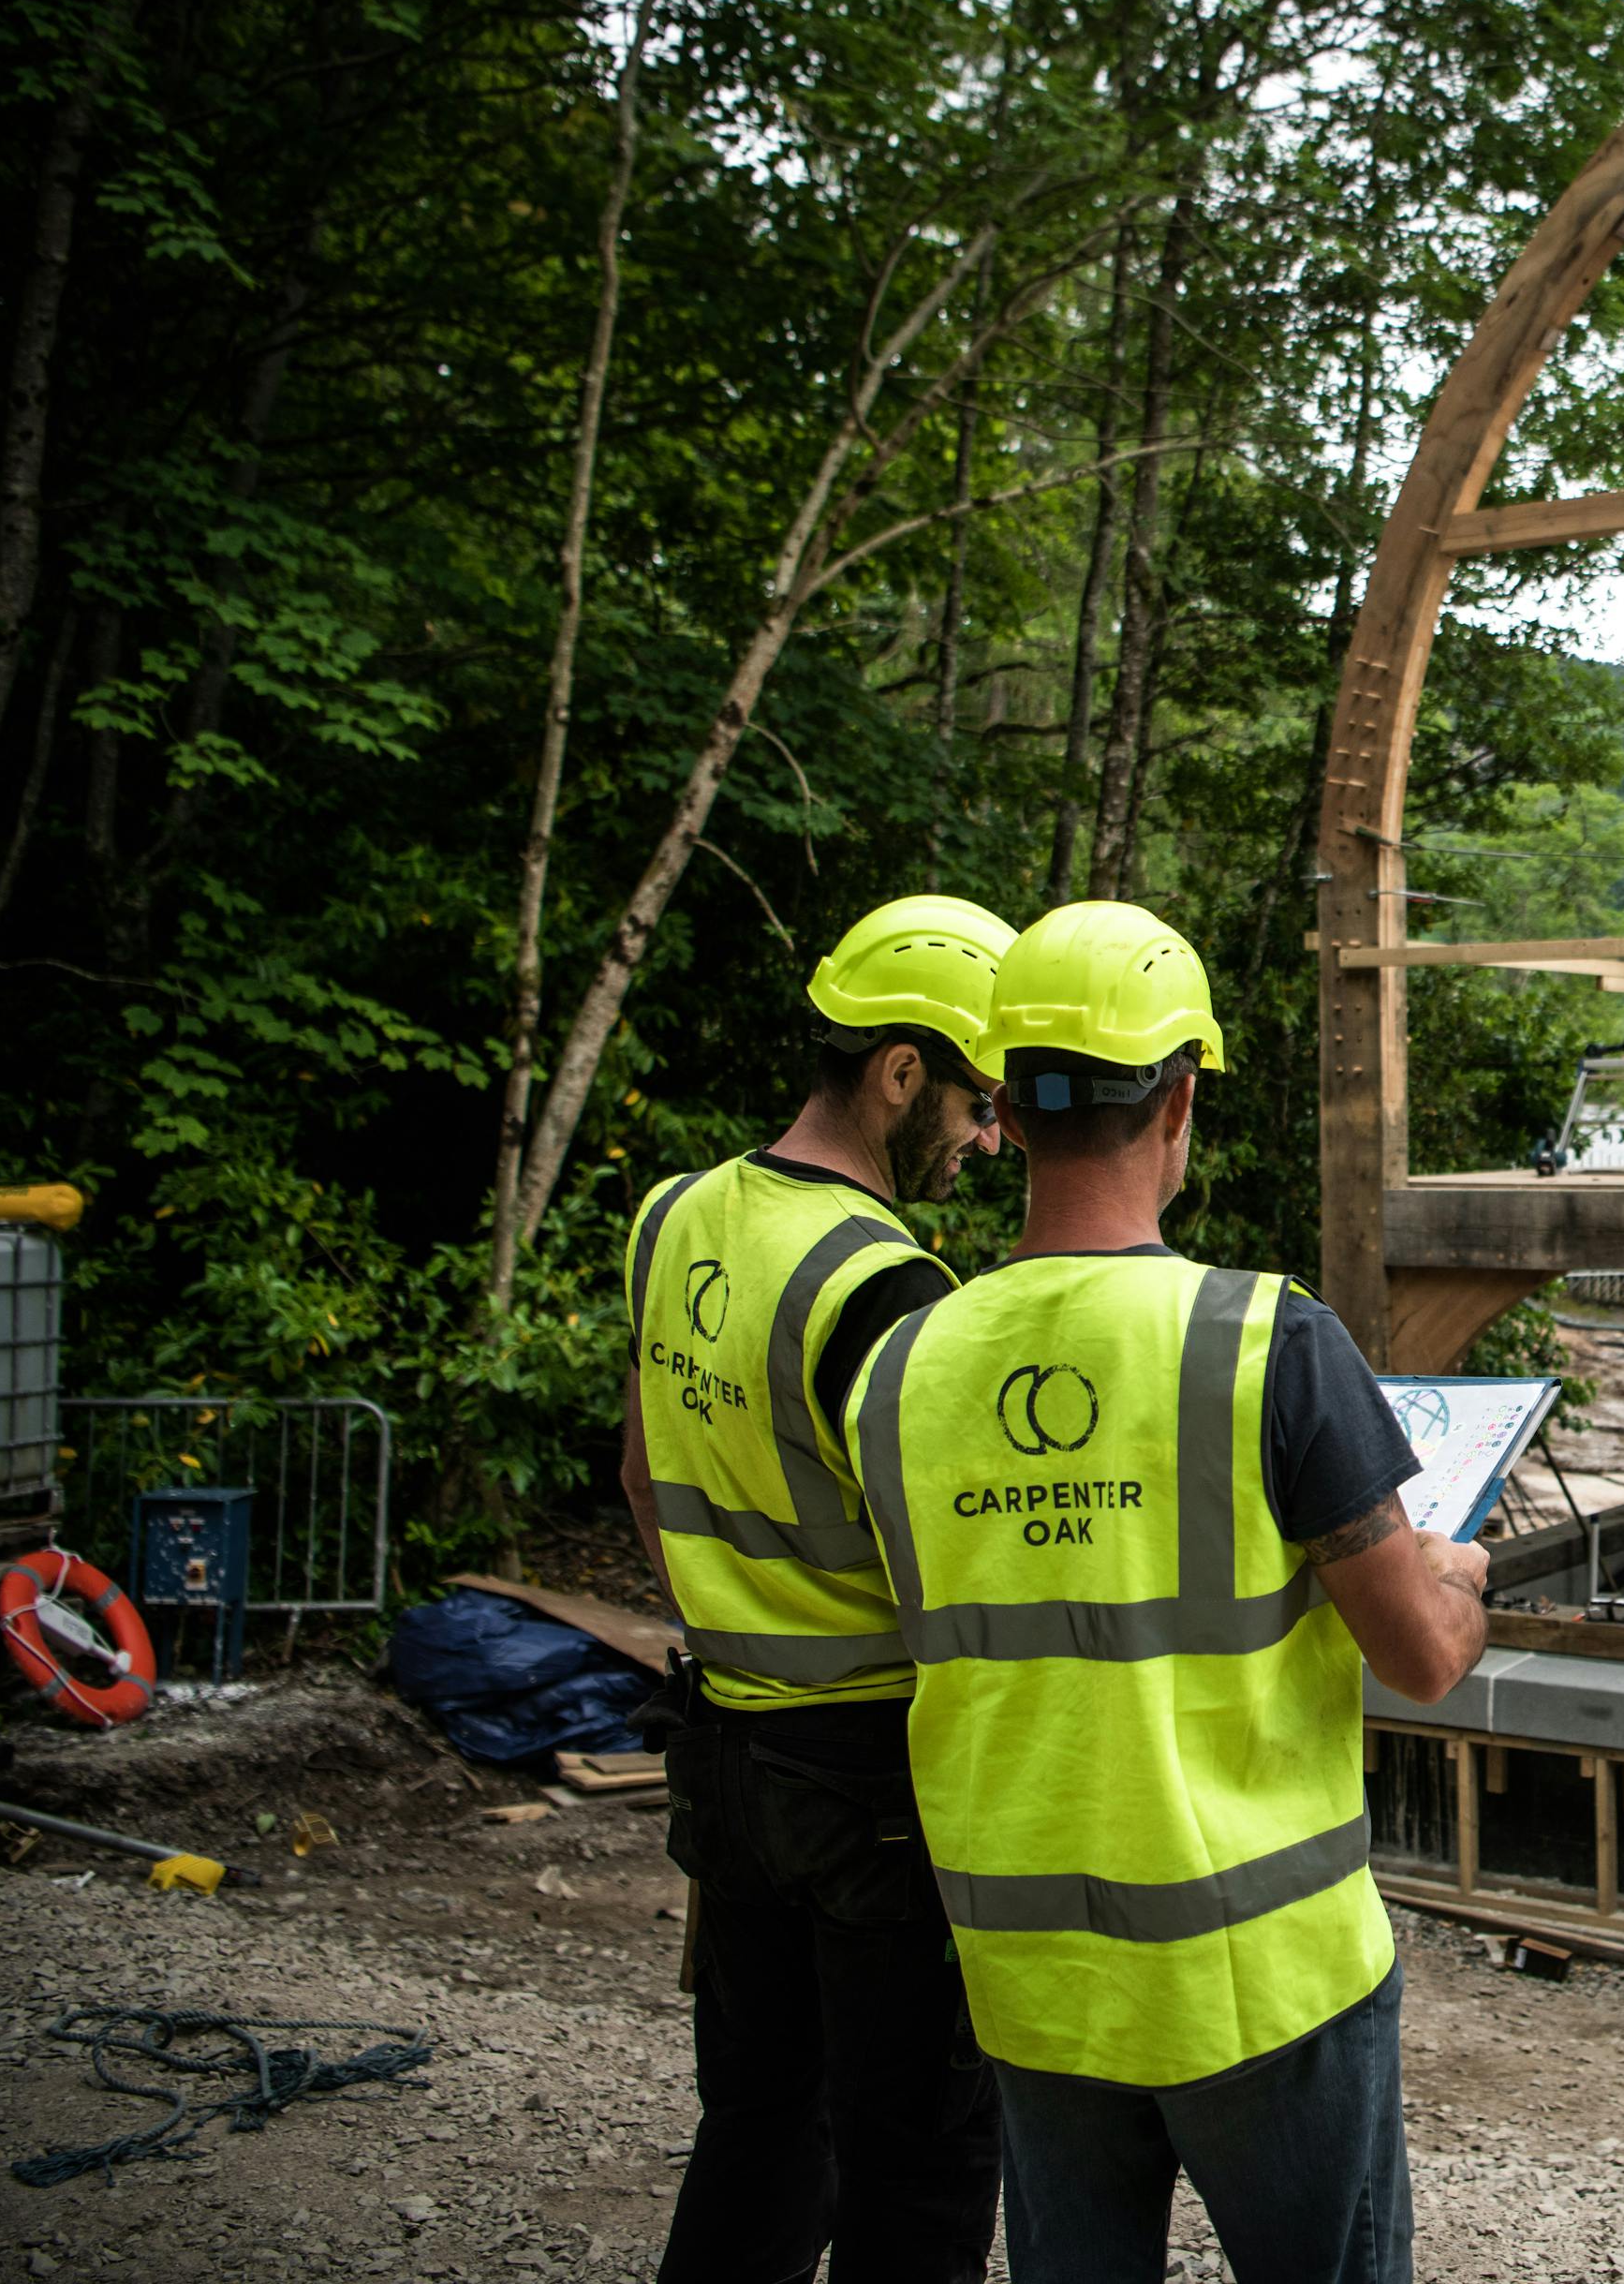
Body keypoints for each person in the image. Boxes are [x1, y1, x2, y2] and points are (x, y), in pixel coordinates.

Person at [845, 899, 1490, 2284]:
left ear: (1004, 1109)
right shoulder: (1268, 1342)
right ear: (1181, 1098)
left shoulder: (902, 1368)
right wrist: (1464, 1576)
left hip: (1033, 1979)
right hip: (1268, 1982)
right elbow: (1424, 1656)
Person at [617, 892, 1017, 2284]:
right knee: (918, 2165)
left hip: (723, 1750)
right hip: (866, 1781)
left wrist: (739, 1628)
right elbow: (947, 1571)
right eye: (977, 1100)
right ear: (901, 1072)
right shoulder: (884, 1286)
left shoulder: (674, 1216)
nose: (986, 1136)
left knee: (761, 2133)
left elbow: (637, 1471)